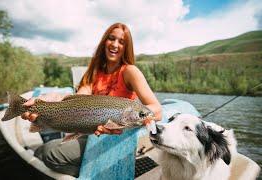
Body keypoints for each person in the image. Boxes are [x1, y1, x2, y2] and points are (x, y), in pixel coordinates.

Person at [21, 22, 162, 177]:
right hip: (92, 135)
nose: (115, 44)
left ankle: (98, 175)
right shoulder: (95, 72)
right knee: (41, 151)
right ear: (104, 41)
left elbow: (156, 109)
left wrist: (139, 118)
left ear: (126, 47)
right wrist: (53, 99)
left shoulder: (130, 71)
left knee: (48, 153)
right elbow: (79, 98)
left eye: (121, 42)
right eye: (111, 38)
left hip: (117, 141)